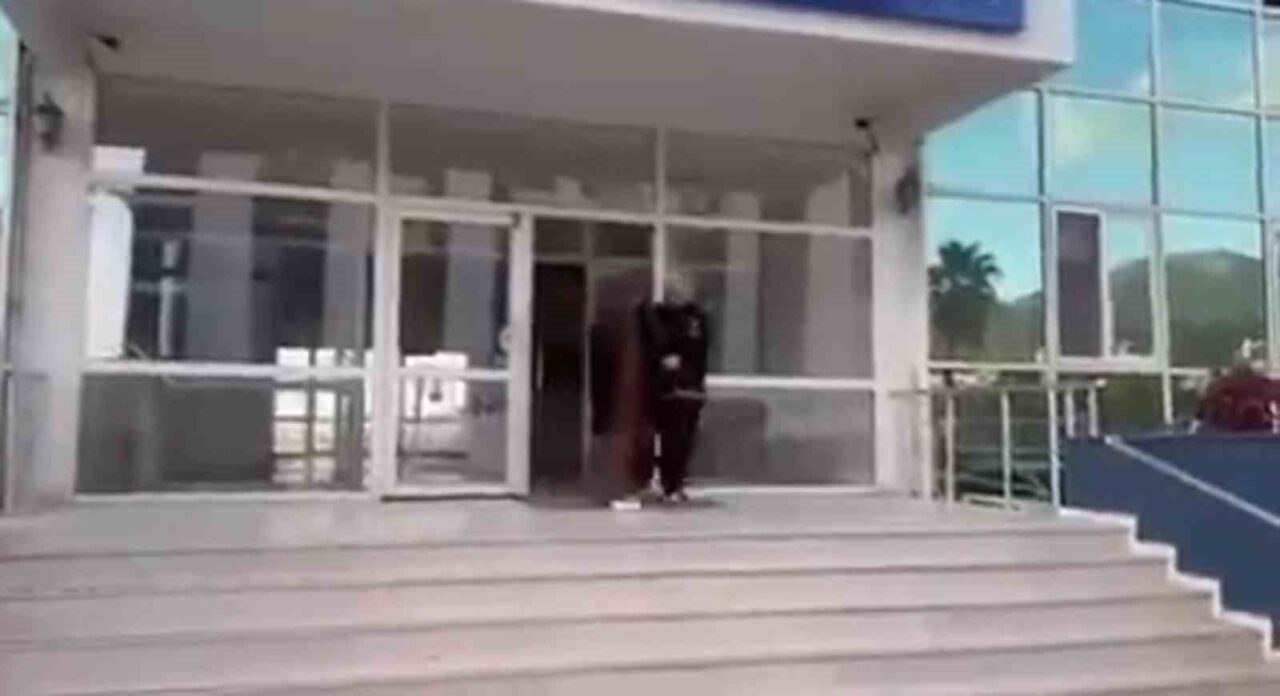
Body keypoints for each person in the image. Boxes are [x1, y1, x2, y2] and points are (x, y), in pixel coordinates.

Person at [639, 300, 709, 502]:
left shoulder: (692, 319)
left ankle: (672, 482)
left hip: (682, 391)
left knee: (678, 439)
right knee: (673, 439)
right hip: (676, 391)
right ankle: (670, 482)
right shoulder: (668, 320)